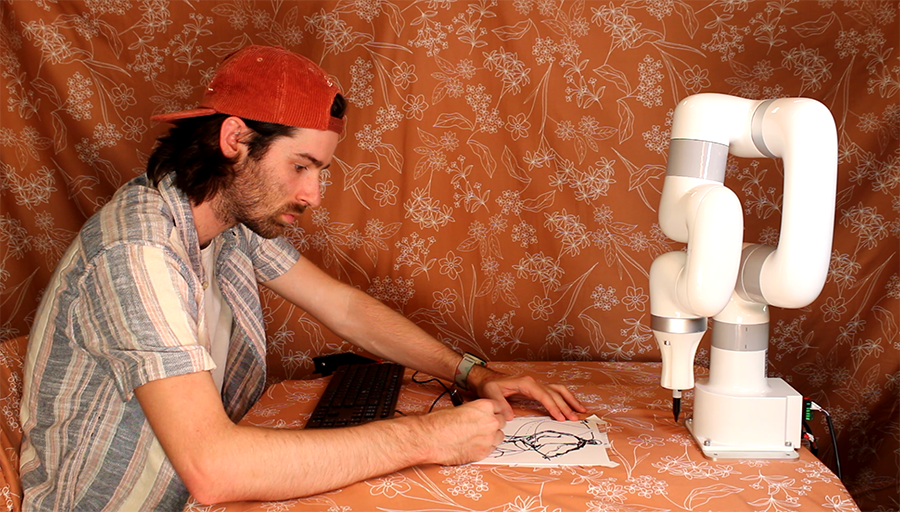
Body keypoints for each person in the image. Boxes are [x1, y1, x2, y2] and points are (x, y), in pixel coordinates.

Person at [19, 45, 586, 511]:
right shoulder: (138, 253)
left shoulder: (225, 218)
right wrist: (431, 438)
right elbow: (214, 470)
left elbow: (342, 308)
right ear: (235, 141)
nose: (313, 195)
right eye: (301, 167)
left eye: (321, 172)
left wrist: (473, 372)